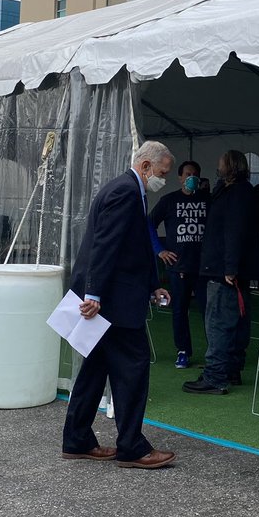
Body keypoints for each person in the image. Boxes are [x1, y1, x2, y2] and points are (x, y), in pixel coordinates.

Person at [62, 141, 177, 469]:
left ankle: (77, 439)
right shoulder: (126, 192)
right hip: (113, 303)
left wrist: (153, 284)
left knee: (95, 370)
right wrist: (94, 294)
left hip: (111, 298)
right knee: (133, 369)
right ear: (145, 167)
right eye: (162, 173)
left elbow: (132, 247)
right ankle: (132, 446)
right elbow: (105, 244)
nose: (163, 180)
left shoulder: (127, 190)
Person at [183, 150, 259, 395]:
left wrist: (230, 267)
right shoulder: (241, 192)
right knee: (236, 321)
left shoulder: (235, 194)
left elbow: (233, 232)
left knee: (218, 322)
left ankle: (216, 376)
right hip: (234, 268)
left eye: (220, 164)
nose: (217, 168)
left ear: (229, 167)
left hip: (223, 270)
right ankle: (231, 370)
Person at [149, 160, 209, 369]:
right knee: (179, 311)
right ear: (180, 177)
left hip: (204, 268)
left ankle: (214, 353)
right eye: (187, 174)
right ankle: (183, 351)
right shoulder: (169, 201)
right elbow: (149, 224)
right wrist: (160, 250)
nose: (191, 178)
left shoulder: (208, 200)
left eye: (194, 175)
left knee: (209, 311)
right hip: (178, 267)